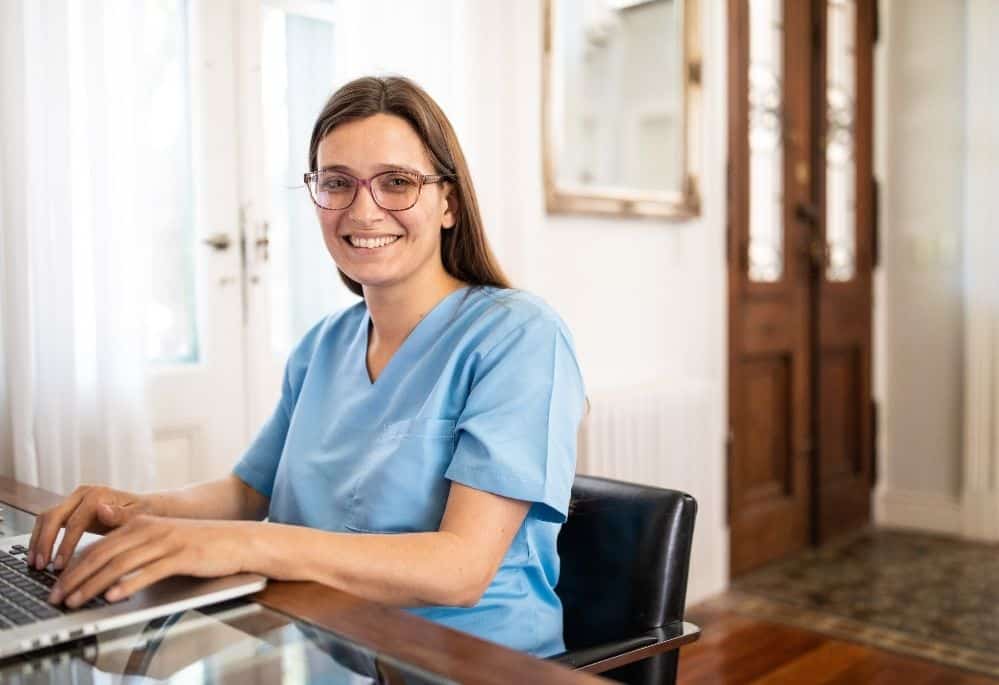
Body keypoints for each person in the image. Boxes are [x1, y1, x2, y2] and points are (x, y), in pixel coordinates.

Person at [27, 76, 586, 658]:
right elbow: (249, 491)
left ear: (448, 202)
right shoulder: (326, 342)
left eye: (397, 182)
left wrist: (233, 546)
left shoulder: (519, 336)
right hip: (322, 647)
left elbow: (461, 569)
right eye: (337, 183)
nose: (363, 210)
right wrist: (136, 511)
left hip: (466, 663)